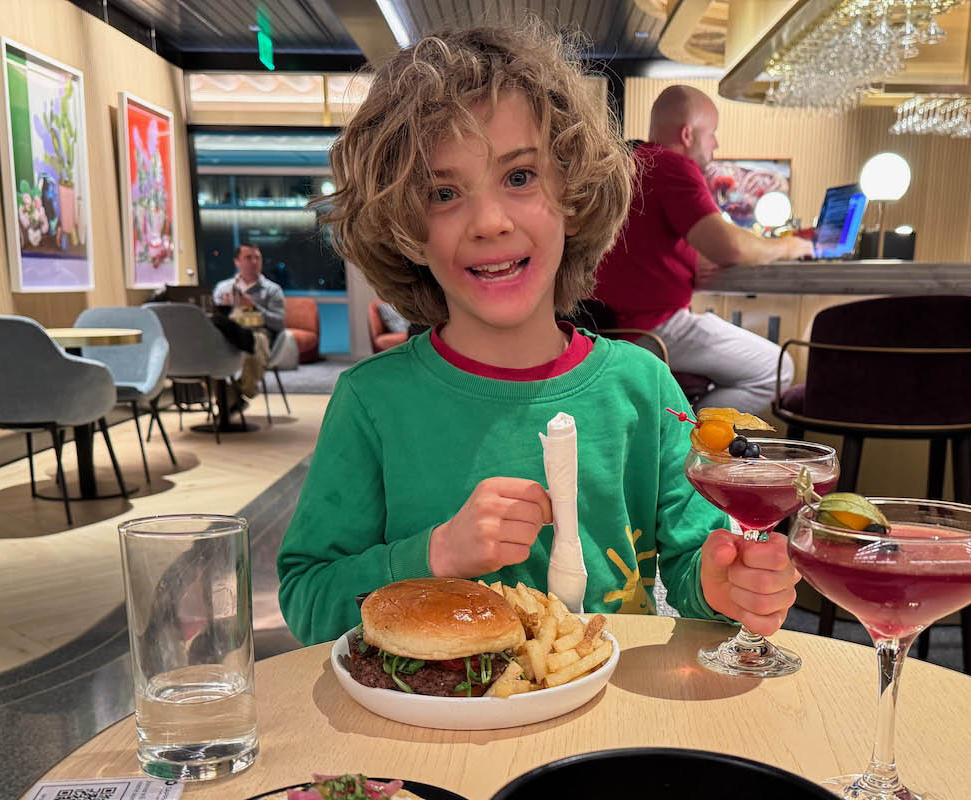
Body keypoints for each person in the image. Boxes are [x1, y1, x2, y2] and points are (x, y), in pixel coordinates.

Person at [275, 23, 799, 649]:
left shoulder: (643, 387)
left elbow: (693, 564)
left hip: (611, 727)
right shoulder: (372, 402)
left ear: (573, 194)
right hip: (434, 731)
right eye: (444, 194)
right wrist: (433, 553)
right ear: (405, 227)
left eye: (519, 177)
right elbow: (308, 600)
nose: (490, 222)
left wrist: (725, 586)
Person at [591, 85, 815, 415]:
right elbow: (732, 249)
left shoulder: (634, 164)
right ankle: (686, 440)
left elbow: (652, 245)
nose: (716, 144)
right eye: (712, 134)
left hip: (609, 326)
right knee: (775, 369)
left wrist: (694, 259)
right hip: (652, 327)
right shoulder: (669, 166)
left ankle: (679, 432)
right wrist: (790, 245)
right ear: (687, 134)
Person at [212, 243, 285, 397]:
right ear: (237, 261)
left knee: (254, 341)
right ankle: (229, 397)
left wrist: (255, 308)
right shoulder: (223, 288)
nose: (254, 262)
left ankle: (238, 394)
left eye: (257, 258)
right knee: (207, 345)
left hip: (258, 332)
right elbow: (216, 318)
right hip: (228, 334)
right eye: (248, 257)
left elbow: (279, 322)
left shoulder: (272, 290)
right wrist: (224, 308)